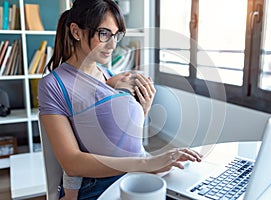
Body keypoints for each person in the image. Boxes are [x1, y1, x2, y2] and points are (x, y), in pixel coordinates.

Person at [38, 0, 203, 199]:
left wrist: (144, 109)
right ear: (76, 31)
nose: (113, 44)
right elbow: (72, 163)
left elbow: (122, 137)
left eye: (116, 35)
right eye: (104, 33)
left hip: (132, 171)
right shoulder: (54, 85)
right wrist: (147, 164)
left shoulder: (108, 74)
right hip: (98, 186)